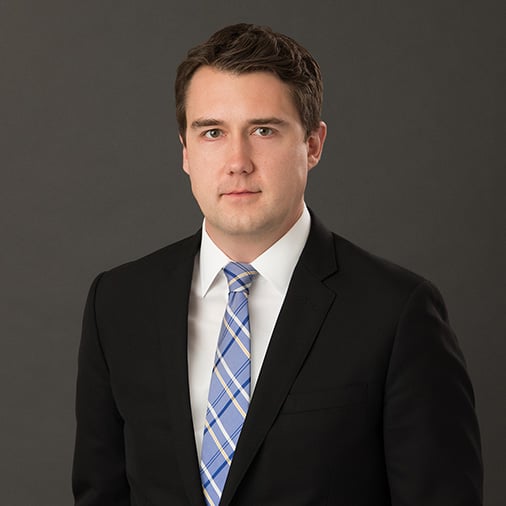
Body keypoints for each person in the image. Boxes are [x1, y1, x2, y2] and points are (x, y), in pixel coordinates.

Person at [72, 23, 483, 506]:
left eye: (263, 130)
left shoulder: (396, 313)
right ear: (185, 151)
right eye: (212, 132)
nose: (238, 161)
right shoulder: (118, 303)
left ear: (313, 144)